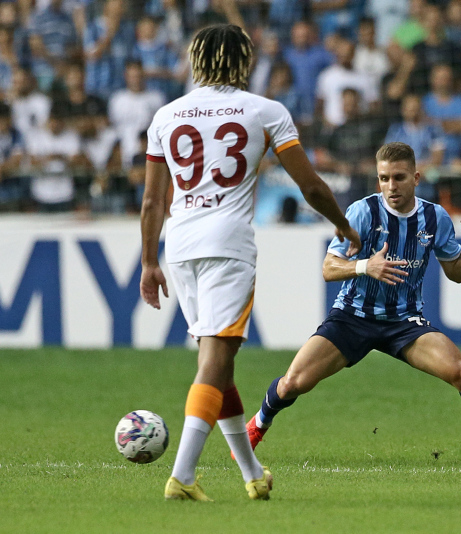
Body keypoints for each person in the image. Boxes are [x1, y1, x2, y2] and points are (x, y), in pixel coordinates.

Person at [139, 24, 360, 502]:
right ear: (245, 61)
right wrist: (342, 225)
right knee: (215, 360)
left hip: (179, 243)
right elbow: (313, 187)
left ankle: (252, 473)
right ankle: (183, 475)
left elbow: (152, 203)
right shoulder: (264, 111)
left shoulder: (167, 115)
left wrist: (147, 263)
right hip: (227, 243)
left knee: (219, 363)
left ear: (196, 60)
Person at [240, 141, 461, 458]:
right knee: (292, 384)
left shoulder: (435, 218)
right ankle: (259, 422)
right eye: (384, 178)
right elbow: (329, 268)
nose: (390, 186)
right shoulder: (362, 212)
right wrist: (367, 266)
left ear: (416, 178)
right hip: (352, 318)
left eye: (399, 177)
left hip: (404, 322)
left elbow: (457, 272)